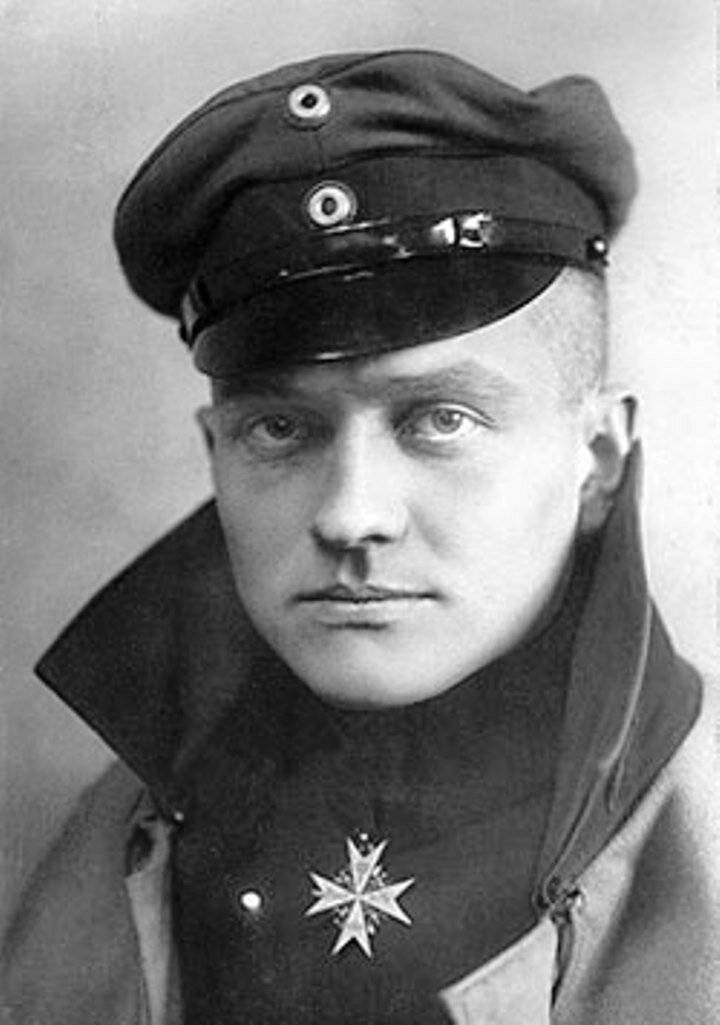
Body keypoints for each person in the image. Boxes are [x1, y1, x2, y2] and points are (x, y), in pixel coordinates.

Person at [2, 48, 718, 1025]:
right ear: (214, 449)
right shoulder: (116, 833)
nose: (349, 515)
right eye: (279, 428)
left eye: (440, 419)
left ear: (596, 456)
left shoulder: (699, 832)